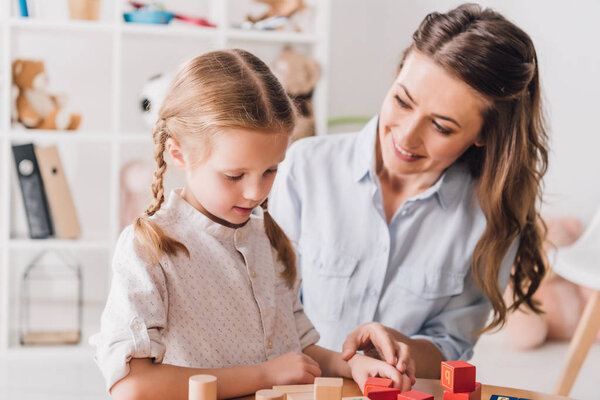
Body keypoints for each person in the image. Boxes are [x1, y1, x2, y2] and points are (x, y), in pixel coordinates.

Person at [90, 49, 412, 400]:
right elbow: (132, 386)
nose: (255, 191)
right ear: (178, 153)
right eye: (234, 175)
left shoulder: (268, 241)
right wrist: (263, 375)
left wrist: (353, 365)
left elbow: (296, 356)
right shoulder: (148, 249)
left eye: (270, 170)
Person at [270, 3, 548, 379]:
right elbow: (268, 313)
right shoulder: (304, 168)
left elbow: (452, 346)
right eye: (402, 101)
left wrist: (404, 349)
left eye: (442, 127)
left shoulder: (490, 214)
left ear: (485, 134)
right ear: (396, 75)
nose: (406, 135)